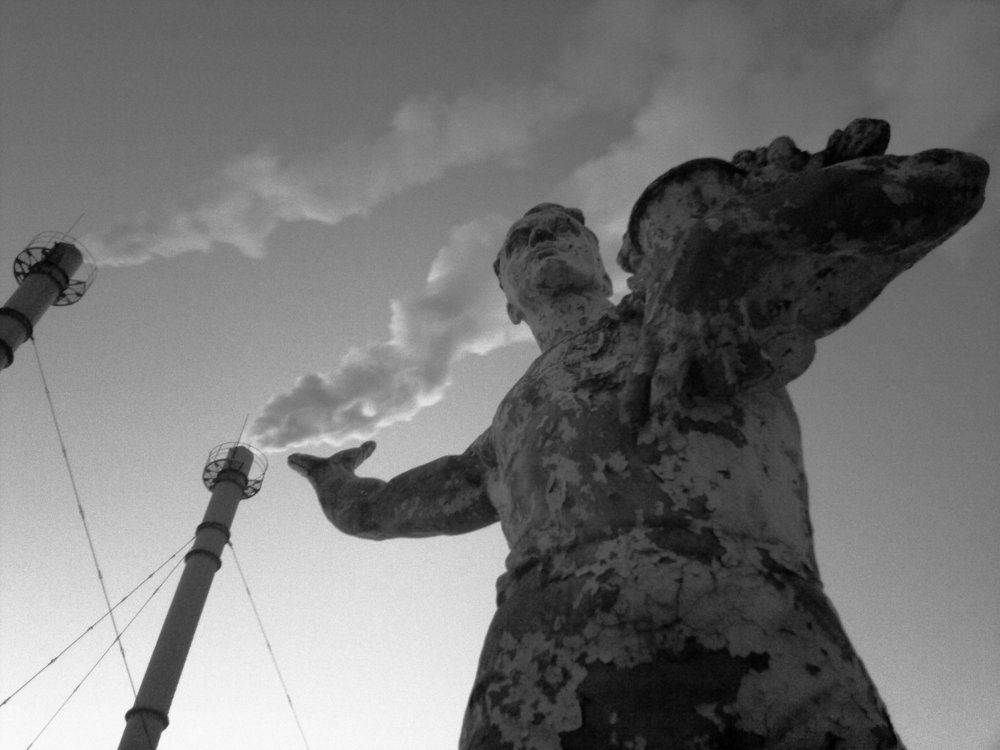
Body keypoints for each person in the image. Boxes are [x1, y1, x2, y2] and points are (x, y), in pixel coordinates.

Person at [288, 120, 987, 749]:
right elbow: (377, 512)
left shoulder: (692, 295)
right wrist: (332, 479)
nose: (546, 239)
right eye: (525, 241)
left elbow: (948, 182)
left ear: (600, 260)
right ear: (507, 303)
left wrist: (726, 242)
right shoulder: (503, 434)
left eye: (564, 230)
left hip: (763, 628)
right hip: (544, 663)